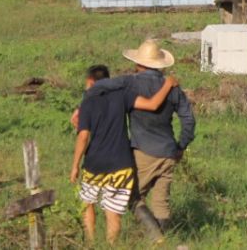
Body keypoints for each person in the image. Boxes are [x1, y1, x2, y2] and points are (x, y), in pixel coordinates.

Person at [91, 39, 196, 232]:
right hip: (169, 152)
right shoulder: (173, 87)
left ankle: (156, 238)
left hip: (144, 151)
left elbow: (101, 87)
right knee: (161, 202)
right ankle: (163, 240)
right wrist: (181, 146)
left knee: (130, 196)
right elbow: (188, 120)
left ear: (139, 63)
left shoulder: (129, 82)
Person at [69, 64, 177, 245]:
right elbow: (153, 104)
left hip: (94, 164)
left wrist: (75, 166)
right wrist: (167, 84)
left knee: (87, 204)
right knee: (113, 213)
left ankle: (90, 243)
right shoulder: (122, 95)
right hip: (121, 165)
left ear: (90, 81)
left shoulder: (88, 101)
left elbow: (84, 136)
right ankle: (111, 246)